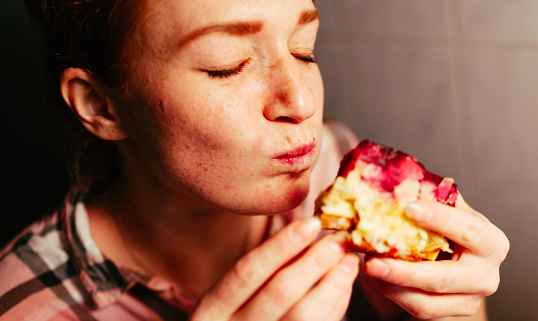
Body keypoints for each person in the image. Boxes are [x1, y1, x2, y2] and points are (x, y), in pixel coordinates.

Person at [0, 0, 509, 320]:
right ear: (100, 104)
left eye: (304, 50)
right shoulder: (25, 306)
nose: (303, 104)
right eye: (228, 66)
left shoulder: (329, 166)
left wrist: (456, 312)